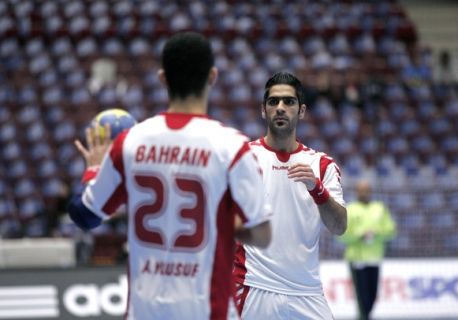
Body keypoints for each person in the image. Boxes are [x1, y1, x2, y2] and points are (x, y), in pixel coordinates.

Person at [68, 32, 272, 320]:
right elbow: (263, 235)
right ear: (212, 76)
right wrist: (222, 220)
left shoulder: (130, 142)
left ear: (162, 78)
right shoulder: (232, 147)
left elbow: (84, 215)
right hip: (206, 310)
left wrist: (93, 169)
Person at [233, 72, 347, 319]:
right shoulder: (243, 159)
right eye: (273, 102)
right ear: (264, 110)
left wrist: (317, 189)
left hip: (307, 292)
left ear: (302, 110)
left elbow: (339, 227)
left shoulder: (322, 165)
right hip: (254, 287)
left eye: (288, 102)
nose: (280, 108)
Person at [338, 179, 397, 320]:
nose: (364, 193)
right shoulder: (350, 209)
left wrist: (377, 233)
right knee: (362, 297)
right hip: (357, 260)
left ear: (370, 192)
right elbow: (342, 235)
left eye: (366, 190)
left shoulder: (380, 208)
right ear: (356, 192)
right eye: (361, 190)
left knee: (372, 295)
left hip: (375, 259)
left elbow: (391, 231)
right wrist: (359, 236)